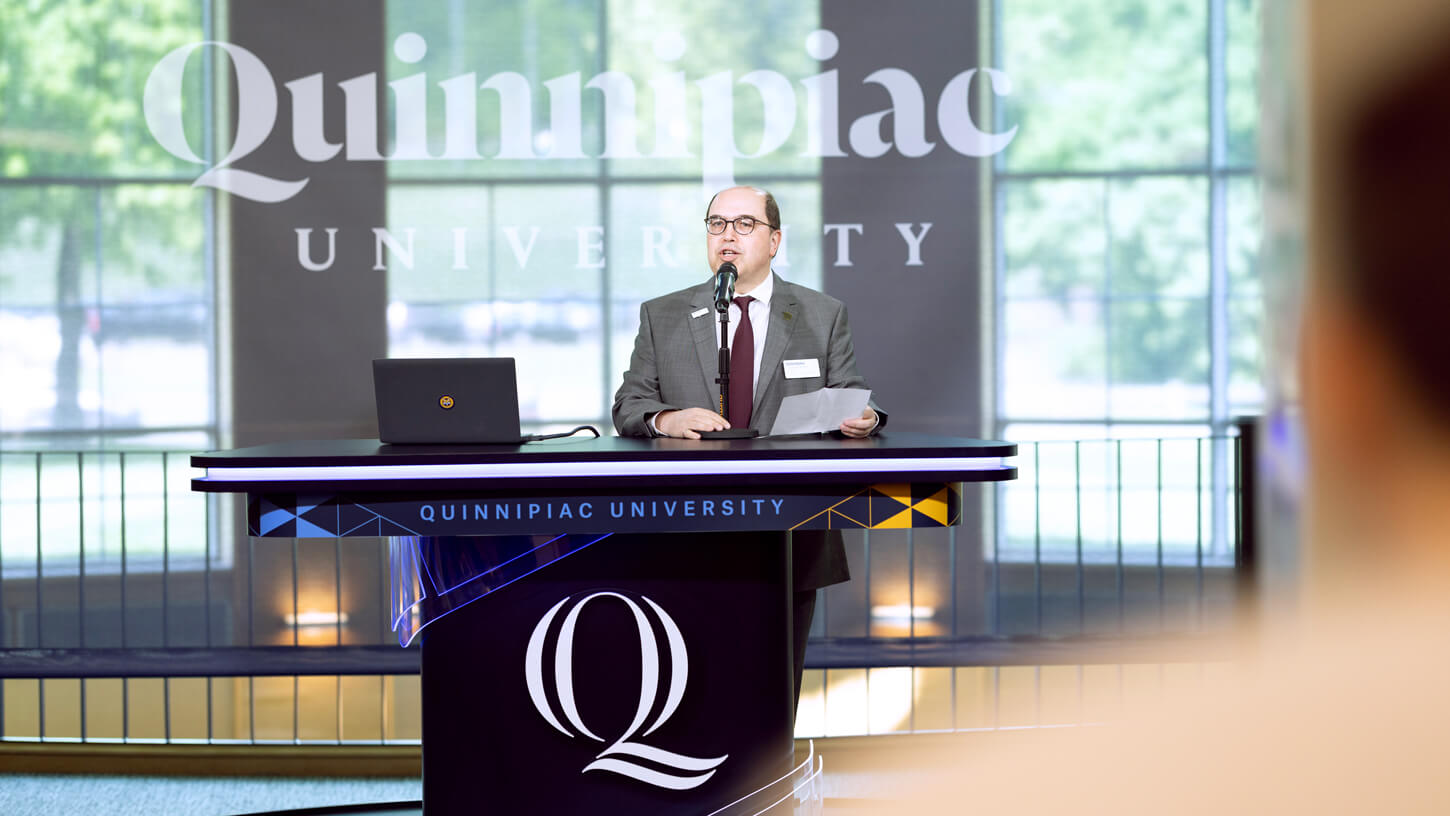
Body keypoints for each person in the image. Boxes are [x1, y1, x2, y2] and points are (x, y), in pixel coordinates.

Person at [612, 185, 887, 705]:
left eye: (744, 224)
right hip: (686, 528)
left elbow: (853, 396)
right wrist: (666, 417)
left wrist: (866, 417)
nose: (727, 237)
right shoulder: (663, 315)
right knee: (690, 688)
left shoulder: (821, 314)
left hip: (791, 528)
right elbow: (629, 404)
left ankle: (771, 781)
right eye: (716, 225)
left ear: (774, 239)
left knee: (774, 687)